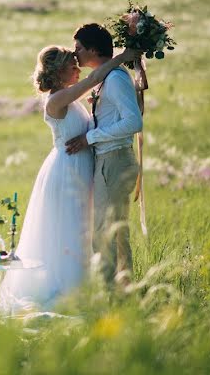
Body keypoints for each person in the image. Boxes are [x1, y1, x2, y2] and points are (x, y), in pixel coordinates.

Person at [0, 44, 140, 316]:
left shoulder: (73, 99)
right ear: (58, 72)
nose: (78, 69)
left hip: (83, 168)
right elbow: (94, 79)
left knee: (87, 230)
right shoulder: (56, 100)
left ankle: (92, 291)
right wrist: (122, 57)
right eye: (72, 66)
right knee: (69, 230)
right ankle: (68, 295)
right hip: (65, 171)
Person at [66, 23, 143, 289]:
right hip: (111, 161)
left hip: (114, 161)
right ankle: (122, 292)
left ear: (93, 49)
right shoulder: (108, 79)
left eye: (78, 48)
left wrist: (90, 137)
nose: (74, 54)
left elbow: (134, 122)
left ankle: (108, 295)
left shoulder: (116, 79)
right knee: (116, 233)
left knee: (104, 233)